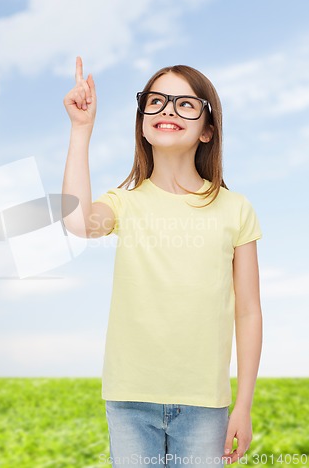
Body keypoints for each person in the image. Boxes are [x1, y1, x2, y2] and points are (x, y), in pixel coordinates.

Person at [62, 56, 263, 467]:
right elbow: (78, 223)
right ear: (142, 120)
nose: (167, 109)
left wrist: (243, 405)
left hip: (205, 403)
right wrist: (81, 131)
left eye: (185, 104)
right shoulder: (125, 203)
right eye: (156, 101)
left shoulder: (235, 209)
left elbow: (248, 312)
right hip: (130, 399)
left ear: (208, 130)